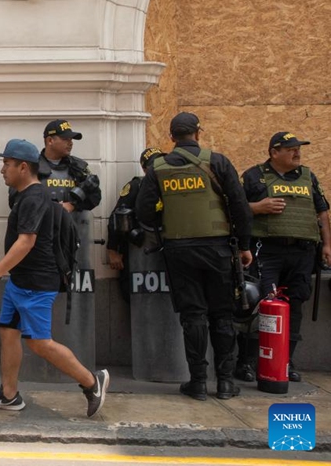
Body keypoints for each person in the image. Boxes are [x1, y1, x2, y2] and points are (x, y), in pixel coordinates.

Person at [0, 138, 109, 418]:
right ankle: (9, 395)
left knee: (39, 342)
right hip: (21, 281)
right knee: (8, 332)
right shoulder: (28, 196)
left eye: (7, 164)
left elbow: (26, 242)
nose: (2, 170)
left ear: (23, 167)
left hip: (35, 283)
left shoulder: (34, 198)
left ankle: (91, 382)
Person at [136, 112, 253, 401]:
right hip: (217, 247)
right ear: (197, 134)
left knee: (193, 315)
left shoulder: (158, 167)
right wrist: (245, 245)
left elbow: (144, 211)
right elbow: (239, 205)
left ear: (172, 137)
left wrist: (165, 231)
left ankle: (198, 382)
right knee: (222, 314)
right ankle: (225, 382)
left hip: (179, 250)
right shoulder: (218, 161)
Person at [234, 132, 331, 383]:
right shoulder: (254, 176)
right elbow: (235, 208)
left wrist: (327, 245)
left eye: (298, 148)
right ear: (274, 152)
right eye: (290, 149)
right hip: (267, 250)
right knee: (261, 305)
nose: (297, 152)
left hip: (302, 252)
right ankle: (247, 362)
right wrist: (258, 207)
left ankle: (285, 362)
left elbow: (321, 213)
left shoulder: (309, 177)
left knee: (295, 306)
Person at [107, 148, 166, 303]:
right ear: (145, 169)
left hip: (166, 249)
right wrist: (113, 250)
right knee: (136, 297)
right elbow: (117, 217)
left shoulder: (170, 184)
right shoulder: (136, 186)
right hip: (139, 251)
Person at [33, 119, 101, 212]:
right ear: (50, 140)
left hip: (73, 224)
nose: (71, 143)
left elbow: (95, 197)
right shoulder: (32, 167)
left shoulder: (78, 166)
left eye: (71, 139)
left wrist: (73, 205)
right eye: (65, 139)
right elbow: (17, 199)